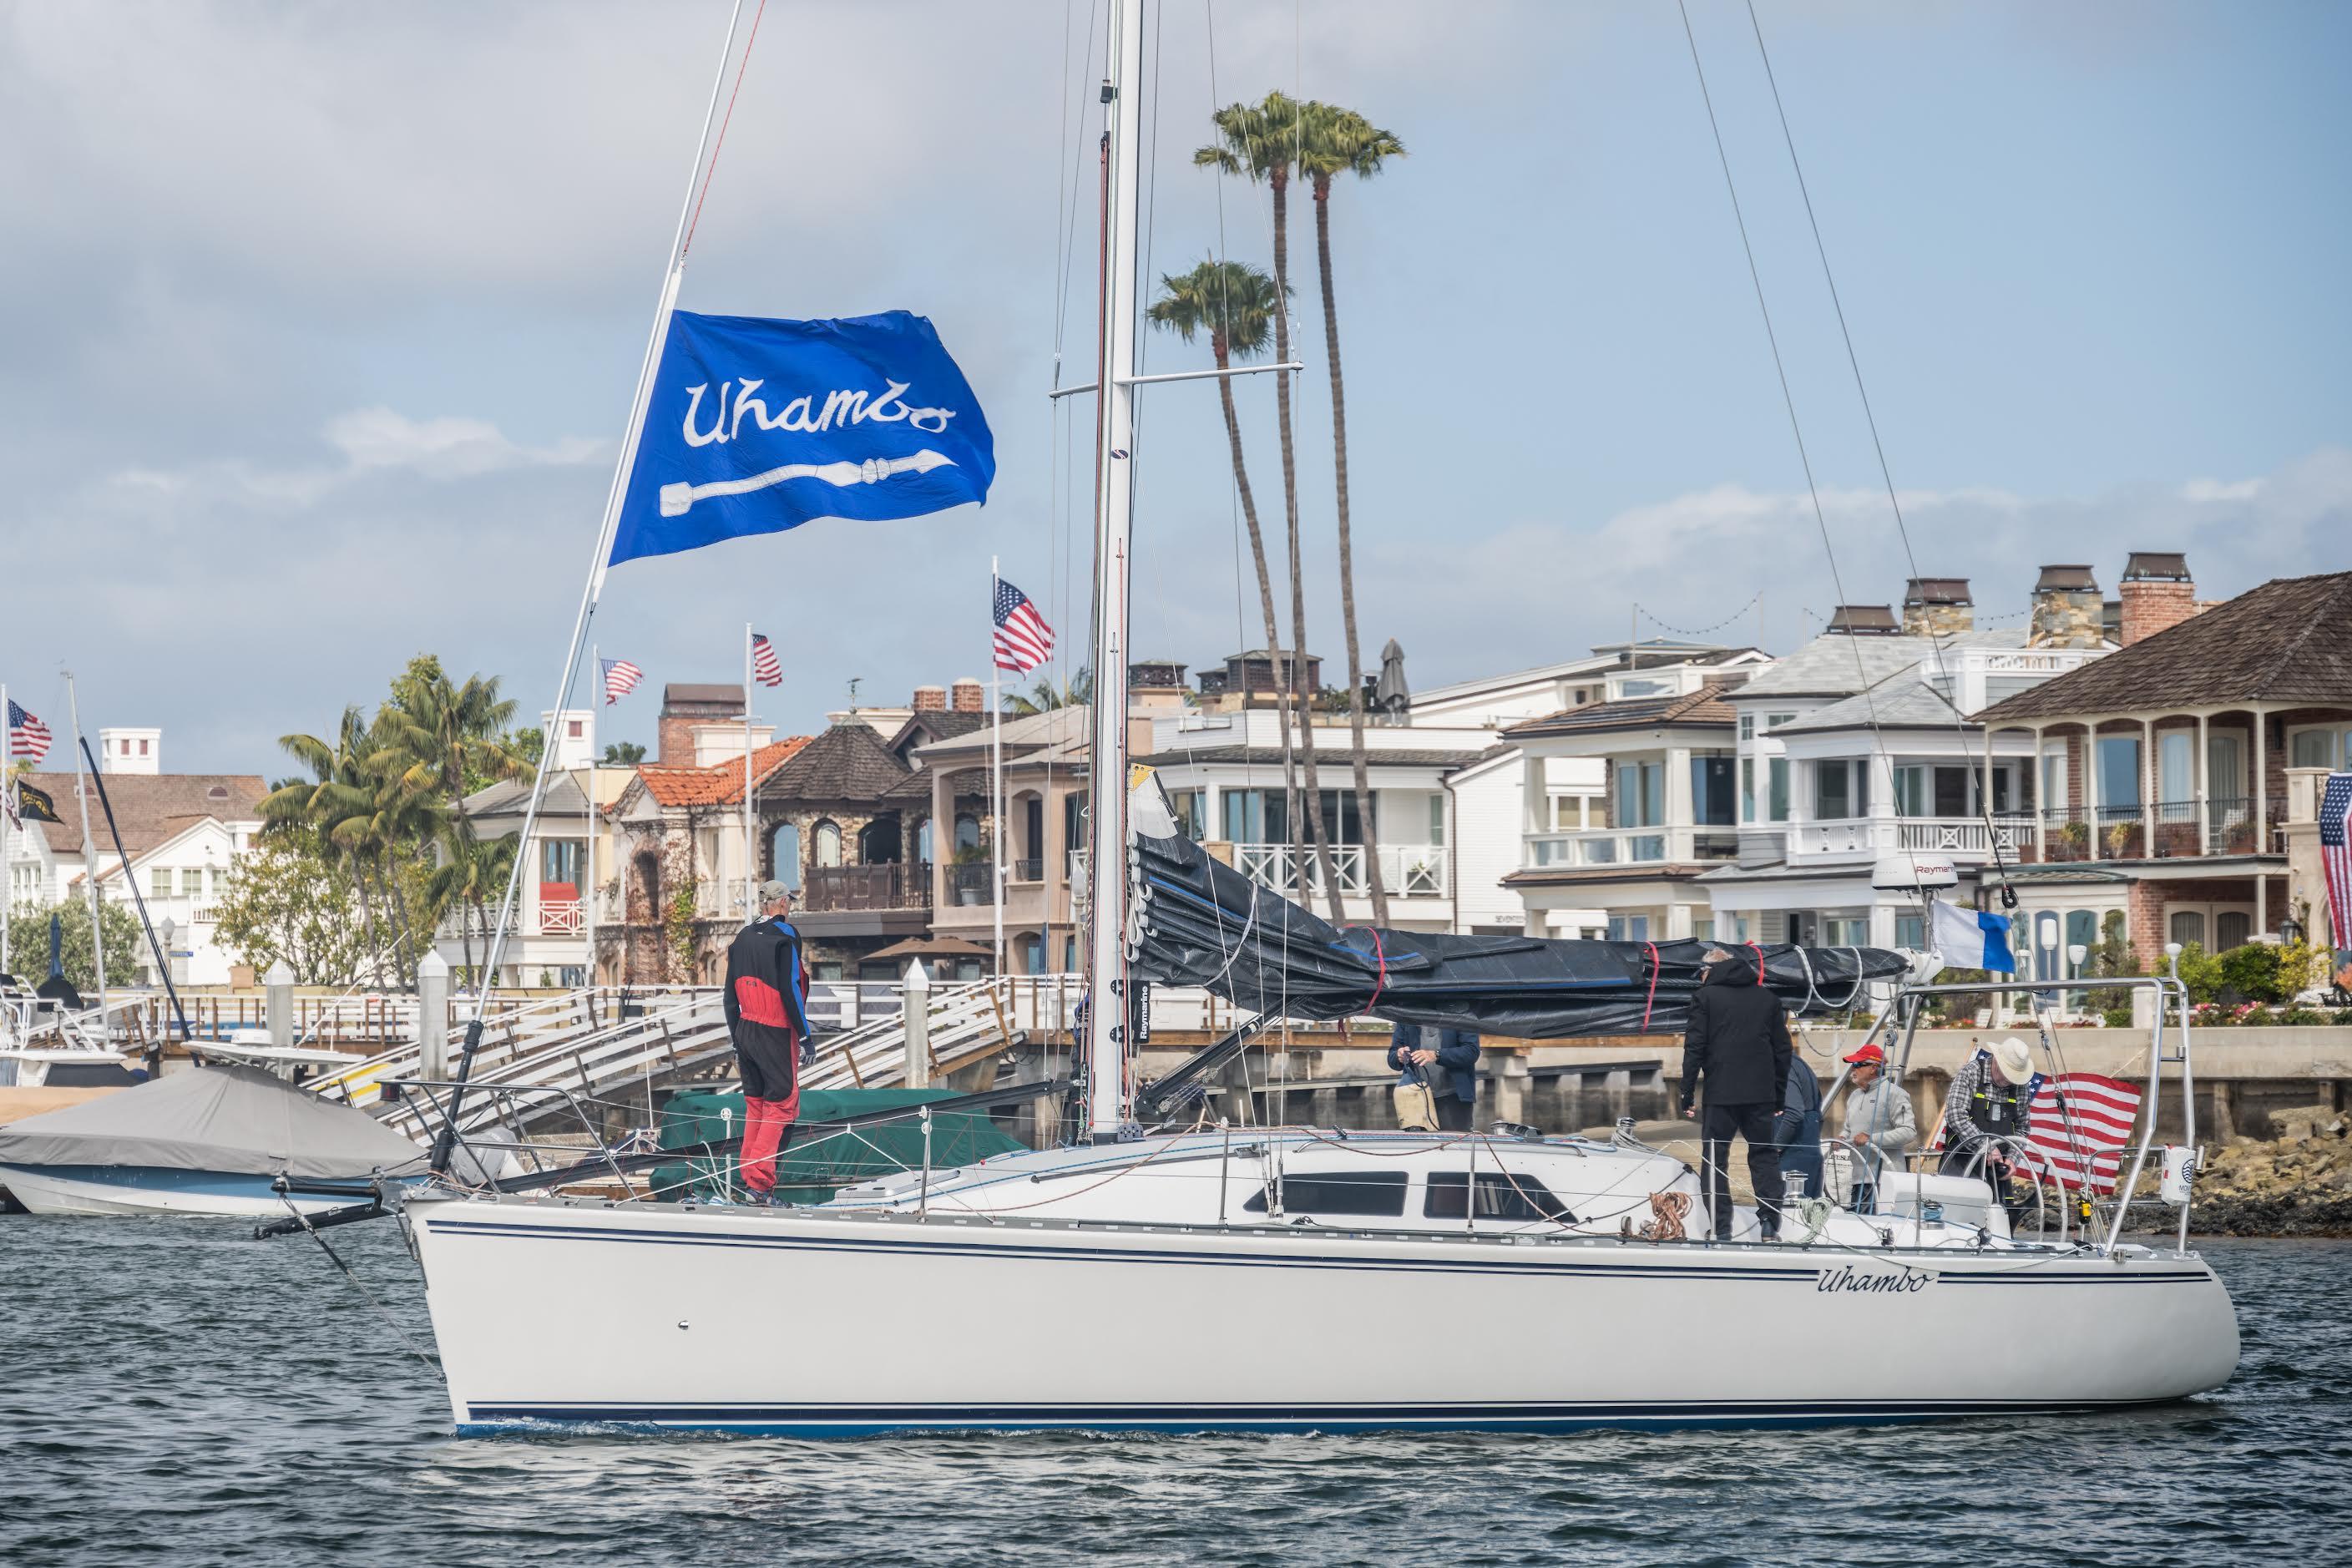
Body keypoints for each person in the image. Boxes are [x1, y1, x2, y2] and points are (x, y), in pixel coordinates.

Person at [1680, 945, 1793, 1241]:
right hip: (1761, 1095)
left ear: (1709, 971)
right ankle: (1769, 1225)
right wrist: (1779, 1096)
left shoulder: (1704, 998)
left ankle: (1721, 1227)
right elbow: (1783, 1051)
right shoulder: (1768, 999)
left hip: (1721, 1094)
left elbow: (1695, 1049)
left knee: (1715, 1159)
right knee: (1764, 1157)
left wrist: (1687, 1092)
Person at [722, 881, 814, 1204]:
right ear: (780, 903)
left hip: (745, 1029)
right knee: (782, 1105)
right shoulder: (785, 937)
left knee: (756, 1106)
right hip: (775, 1030)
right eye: (789, 900)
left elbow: (729, 997)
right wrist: (805, 1036)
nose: (790, 905)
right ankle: (760, 1187)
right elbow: (791, 988)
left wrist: (736, 1039)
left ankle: (750, 1182)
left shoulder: (742, 937)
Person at [1942, 1036, 2038, 1222]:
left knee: (1998, 1223)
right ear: (1996, 1060)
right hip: (1960, 1163)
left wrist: (2012, 1159)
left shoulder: (2021, 1088)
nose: (2010, 1080)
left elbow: (2022, 1129)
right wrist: (1987, 1146)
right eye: (2007, 1073)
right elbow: (1955, 1114)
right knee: (1957, 1221)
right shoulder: (1970, 1074)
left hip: (1997, 1172)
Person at [1834, 1041, 1915, 1215]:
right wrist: (1841, 1138)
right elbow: (1849, 1129)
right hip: (1856, 1180)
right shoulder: (1854, 1096)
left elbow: (1909, 1132)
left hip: (1883, 1180)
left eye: (1857, 1065)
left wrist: (1871, 1138)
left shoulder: (1895, 1094)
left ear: (1873, 1068)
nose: (1852, 1069)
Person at [1388, 1022, 1482, 1133]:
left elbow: (1472, 1051)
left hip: (1453, 1097)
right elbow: (1392, 1058)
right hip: (1415, 1099)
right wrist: (1398, 1056)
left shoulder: (1461, 1014)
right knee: (1419, 1146)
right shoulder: (1406, 1017)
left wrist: (1436, 1055)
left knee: (1456, 1146)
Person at [1773, 1043, 1824, 1200]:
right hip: (1811, 1152)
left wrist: (1775, 1147)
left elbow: (1794, 1112)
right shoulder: (1800, 1064)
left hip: (1792, 1158)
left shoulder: (1781, 1067)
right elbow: (1819, 1116)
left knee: (1786, 1216)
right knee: (1809, 1214)